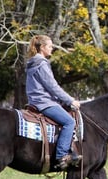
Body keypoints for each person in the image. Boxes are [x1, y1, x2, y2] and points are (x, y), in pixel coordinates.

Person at [25, 35, 81, 170]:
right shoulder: (42, 64)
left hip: (35, 101)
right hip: (44, 102)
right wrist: (70, 100)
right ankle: (61, 156)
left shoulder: (32, 63)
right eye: (50, 46)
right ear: (42, 48)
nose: (52, 49)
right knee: (69, 122)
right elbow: (52, 86)